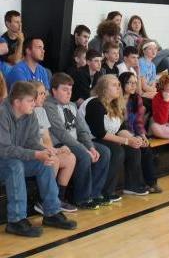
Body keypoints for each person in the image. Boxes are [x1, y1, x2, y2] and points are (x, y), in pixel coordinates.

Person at [0, 82, 77, 237]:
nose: (34, 104)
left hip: (16, 158)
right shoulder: (2, 114)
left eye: (34, 100)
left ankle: (52, 213)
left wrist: (46, 151)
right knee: (15, 166)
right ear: (17, 102)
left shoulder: (31, 114)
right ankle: (16, 221)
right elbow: (4, 150)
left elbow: (31, 142)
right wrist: (36, 154)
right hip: (4, 160)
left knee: (45, 163)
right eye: (30, 101)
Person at [45, 73, 110, 209]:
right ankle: (81, 198)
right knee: (84, 155)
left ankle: (94, 193)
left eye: (70, 90)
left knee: (104, 151)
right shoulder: (49, 106)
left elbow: (82, 130)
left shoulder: (72, 105)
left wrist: (91, 147)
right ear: (54, 91)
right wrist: (84, 149)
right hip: (60, 144)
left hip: (75, 142)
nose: (69, 93)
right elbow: (61, 133)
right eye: (64, 90)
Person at [80, 75, 148, 199]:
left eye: (118, 85)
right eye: (114, 85)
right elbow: (99, 133)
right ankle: (106, 191)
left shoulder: (116, 104)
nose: (118, 87)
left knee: (134, 148)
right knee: (117, 150)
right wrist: (127, 141)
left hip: (105, 138)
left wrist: (134, 139)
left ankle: (132, 185)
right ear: (104, 88)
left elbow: (120, 129)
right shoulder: (95, 103)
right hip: (89, 139)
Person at [30, 81, 77, 213]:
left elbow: (46, 138)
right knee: (53, 160)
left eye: (44, 93)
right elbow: (30, 142)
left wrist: (53, 150)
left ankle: (58, 198)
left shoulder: (41, 111)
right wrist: (52, 152)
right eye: (41, 93)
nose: (44, 96)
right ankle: (44, 201)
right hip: (33, 152)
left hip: (45, 149)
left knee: (70, 158)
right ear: (31, 95)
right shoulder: (25, 112)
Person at [119, 72, 161, 191]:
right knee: (137, 148)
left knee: (146, 148)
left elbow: (138, 121)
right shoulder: (116, 99)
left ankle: (152, 183)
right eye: (130, 83)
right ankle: (138, 184)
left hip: (134, 132)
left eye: (135, 83)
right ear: (122, 84)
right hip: (121, 134)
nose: (133, 85)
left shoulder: (136, 98)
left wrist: (143, 135)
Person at [124, 15, 169, 80]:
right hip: (142, 64)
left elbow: (158, 49)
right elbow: (131, 54)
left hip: (151, 64)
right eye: (134, 23)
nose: (137, 25)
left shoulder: (144, 37)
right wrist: (140, 45)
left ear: (141, 25)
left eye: (139, 23)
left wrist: (155, 45)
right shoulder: (128, 37)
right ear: (130, 25)